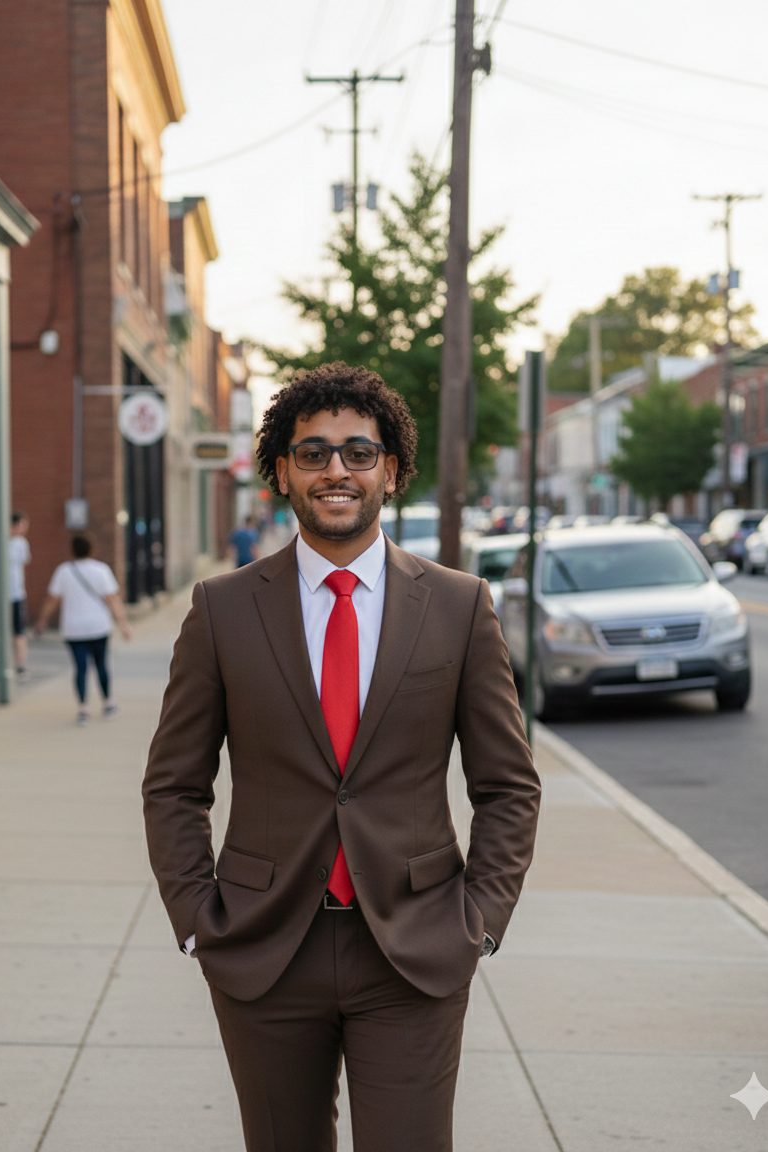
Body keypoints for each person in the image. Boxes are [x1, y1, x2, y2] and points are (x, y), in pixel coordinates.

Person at [142, 362, 540, 1152]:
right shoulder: (222, 609)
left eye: (359, 453)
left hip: (415, 947)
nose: (336, 470)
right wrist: (198, 922)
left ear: (390, 471)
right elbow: (174, 784)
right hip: (263, 946)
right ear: (281, 471)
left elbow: (507, 785)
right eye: (313, 452)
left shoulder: (460, 606)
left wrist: (480, 923)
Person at [34, 534, 132, 725]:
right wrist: (124, 625)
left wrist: (41, 621)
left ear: (73, 550)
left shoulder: (63, 571)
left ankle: (83, 708)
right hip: (99, 626)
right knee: (101, 665)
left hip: (74, 629)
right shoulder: (101, 570)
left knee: (80, 668)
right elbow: (113, 600)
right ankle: (108, 703)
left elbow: (51, 600)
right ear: (91, 550)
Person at [8, 511, 31, 678]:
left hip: (16, 592)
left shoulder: (21, 543)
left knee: (19, 630)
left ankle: (20, 663)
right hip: (4, 593)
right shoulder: (0, 541)